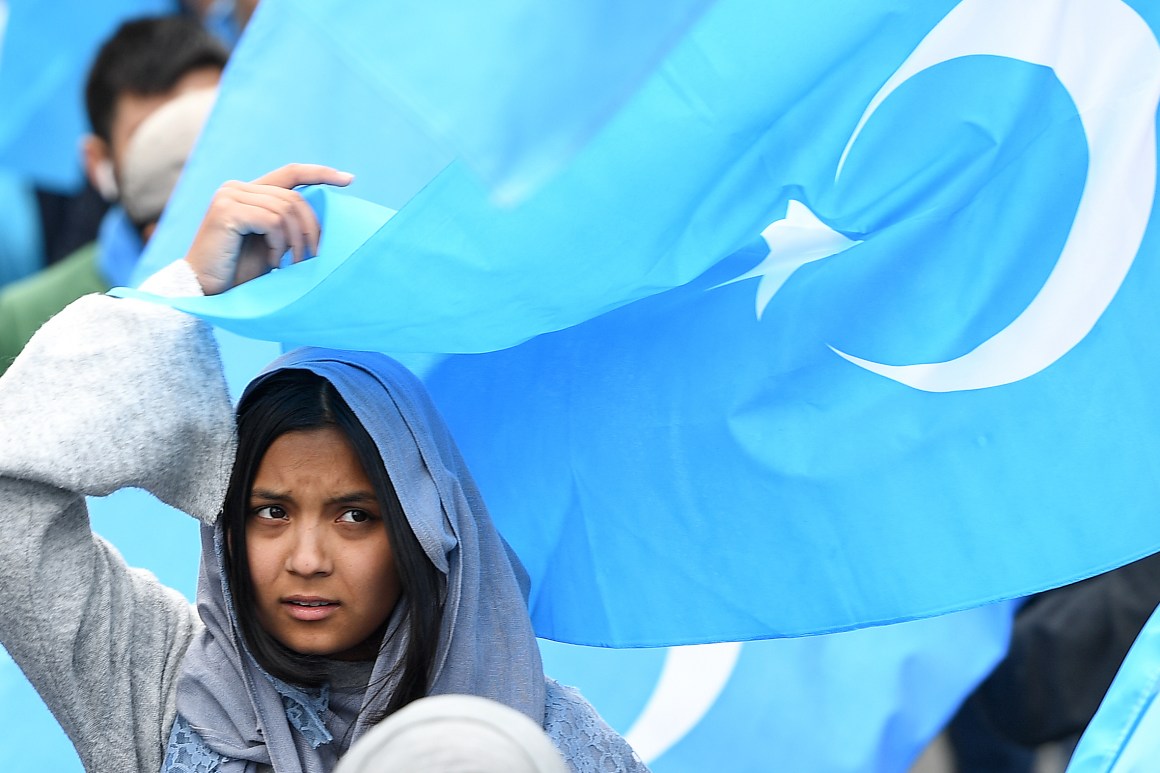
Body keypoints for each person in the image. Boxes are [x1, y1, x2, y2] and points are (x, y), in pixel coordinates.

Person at [0, 164, 646, 772]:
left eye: (355, 515)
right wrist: (185, 290)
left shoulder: (546, 741)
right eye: (271, 512)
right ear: (227, 528)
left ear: (426, 532)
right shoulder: (162, 687)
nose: (306, 557)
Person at [0, 16, 227, 376]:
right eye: (153, 139)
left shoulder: (296, 276)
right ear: (98, 162)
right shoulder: (20, 322)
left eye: (208, 126)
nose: (188, 160)